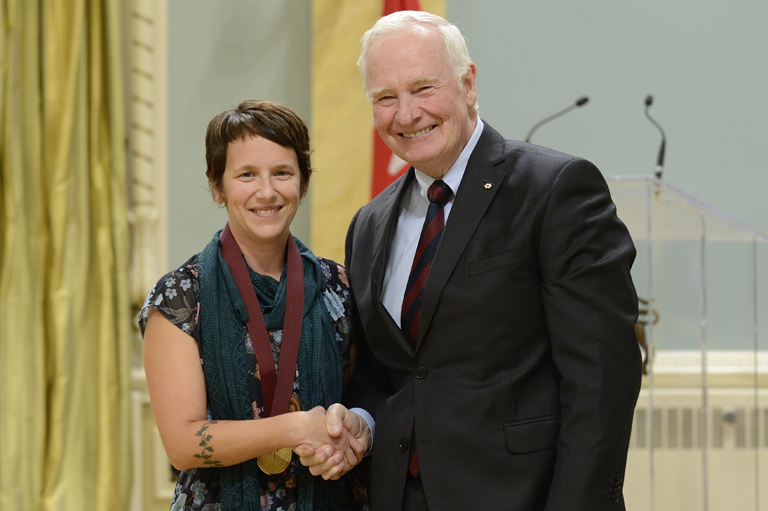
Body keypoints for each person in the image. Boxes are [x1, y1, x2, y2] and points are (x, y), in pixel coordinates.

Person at [300, 11, 642, 511]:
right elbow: (385, 375)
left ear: (468, 83)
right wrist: (363, 425)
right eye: (386, 98)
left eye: (422, 88)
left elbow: (601, 379)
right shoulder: (369, 225)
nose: (407, 113)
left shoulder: (555, 190)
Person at [139, 100, 370, 511]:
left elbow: (365, 392)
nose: (267, 191)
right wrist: (295, 428)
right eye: (246, 175)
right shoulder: (179, 297)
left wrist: (347, 430)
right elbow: (182, 445)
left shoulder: (339, 285)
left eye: (282, 173)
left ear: (302, 182)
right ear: (217, 186)